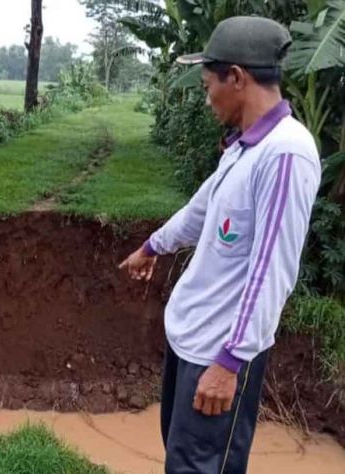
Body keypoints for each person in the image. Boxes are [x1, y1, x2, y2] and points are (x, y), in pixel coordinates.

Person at [119, 17, 321, 474]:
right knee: (182, 459)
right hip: (191, 343)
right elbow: (202, 209)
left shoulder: (285, 154)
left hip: (220, 350)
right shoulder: (247, 147)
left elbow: (273, 270)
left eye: (209, 83)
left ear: (237, 77)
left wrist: (230, 362)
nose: (206, 97)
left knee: (201, 467)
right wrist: (152, 247)